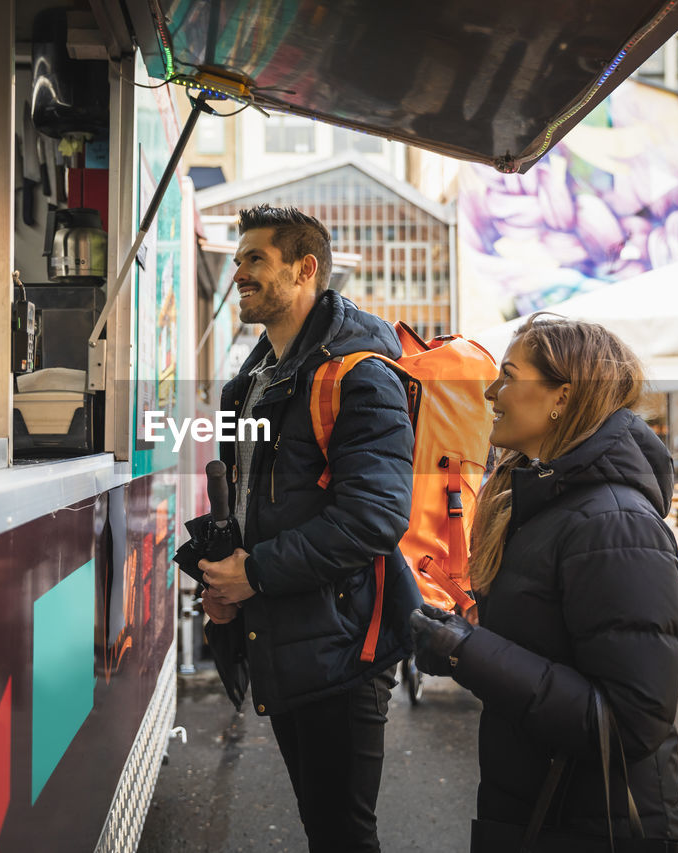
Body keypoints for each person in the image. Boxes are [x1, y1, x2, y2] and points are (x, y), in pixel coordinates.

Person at [408, 315, 678, 850]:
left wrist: (466, 653)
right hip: (544, 806)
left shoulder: (614, 523)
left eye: (509, 376)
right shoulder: (540, 503)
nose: (492, 391)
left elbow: (632, 722)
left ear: (562, 397)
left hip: (593, 823)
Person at [197, 204, 420, 852]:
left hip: (344, 649)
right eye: (237, 260)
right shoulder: (253, 383)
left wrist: (256, 572)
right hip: (287, 639)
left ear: (305, 270)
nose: (238, 272)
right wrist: (224, 573)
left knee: (342, 834)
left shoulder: (360, 374)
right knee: (324, 827)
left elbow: (374, 516)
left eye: (254, 259)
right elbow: (253, 505)